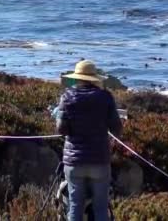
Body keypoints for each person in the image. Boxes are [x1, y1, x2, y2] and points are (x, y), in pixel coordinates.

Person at [56, 60, 123, 221]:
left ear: (77, 78)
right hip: (99, 160)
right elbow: (117, 128)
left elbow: (61, 129)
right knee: (100, 208)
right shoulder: (105, 97)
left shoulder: (67, 97)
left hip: (74, 162)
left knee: (75, 206)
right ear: (94, 78)